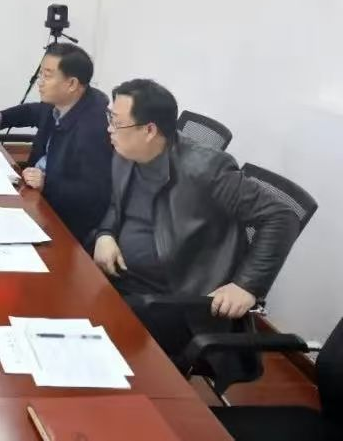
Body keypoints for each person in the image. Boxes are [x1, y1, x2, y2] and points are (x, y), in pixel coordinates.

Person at [91, 79, 299, 369]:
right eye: (110, 118)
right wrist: (105, 233)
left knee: (95, 336)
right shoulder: (127, 152)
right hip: (122, 276)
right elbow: (117, 204)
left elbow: (282, 216)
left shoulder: (205, 169)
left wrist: (246, 285)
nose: (109, 129)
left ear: (149, 130)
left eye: (117, 122)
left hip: (173, 300)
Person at [0, 43, 112, 244]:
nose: (40, 82)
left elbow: (93, 194)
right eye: (41, 74)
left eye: (47, 76)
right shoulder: (61, 103)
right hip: (33, 193)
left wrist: (47, 183)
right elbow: (33, 112)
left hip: (61, 221)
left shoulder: (93, 128)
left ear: (72, 84)